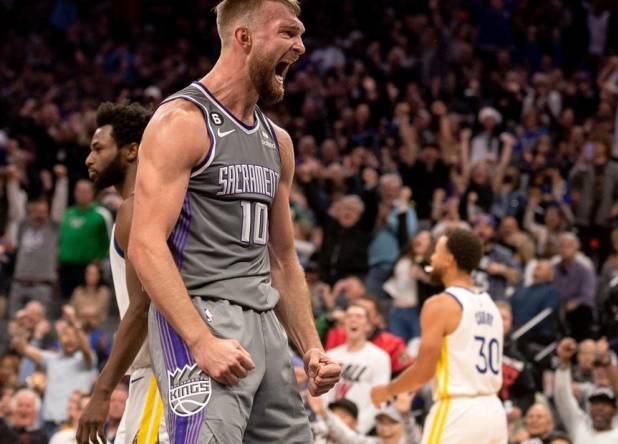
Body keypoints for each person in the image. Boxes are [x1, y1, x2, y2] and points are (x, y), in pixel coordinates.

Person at [127, 1, 340, 442]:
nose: (301, 47)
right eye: (288, 33)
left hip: (265, 322)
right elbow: (146, 244)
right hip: (201, 311)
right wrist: (201, 340)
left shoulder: (277, 141)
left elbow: (282, 258)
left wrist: (311, 347)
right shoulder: (181, 122)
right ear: (243, 38)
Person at [78, 101, 169, 444]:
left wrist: (102, 392)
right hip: (157, 377)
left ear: (132, 151)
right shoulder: (152, 204)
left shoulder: (136, 209)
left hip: (161, 377)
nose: (89, 158)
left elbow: (143, 306)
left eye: (98, 148)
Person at [371, 228, 507, 443]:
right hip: (494, 413)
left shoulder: (440, 304)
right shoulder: (491, 305)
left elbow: (423, 371)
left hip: (458, 412)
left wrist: (387, 390)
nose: (431, 257)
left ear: (449, 259)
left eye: (436, 252)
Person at [13, 306, 97, 434]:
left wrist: (74, 321)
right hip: (49, 425)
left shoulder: (85, 360)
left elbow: (86, 348)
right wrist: (21, 327)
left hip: (76, 424)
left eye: (72, 335)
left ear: (79, 338)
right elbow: (22, 348)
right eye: (65, 335)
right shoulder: (51, 358)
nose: (68, 339)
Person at [5, 163, 67, 319]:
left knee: (40, 325)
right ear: (30, 211)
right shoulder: (23, 226)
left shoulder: (53, 228)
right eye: (36, 211)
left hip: (42, 286)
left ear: (47, 212)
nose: (39, 215)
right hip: (18, 284)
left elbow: (59, 206)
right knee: (14, 326)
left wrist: (62, 181)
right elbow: (14, 208)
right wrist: (12, 182)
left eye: (43, 212)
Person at [322, 303, 391, 433]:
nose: (353, 319)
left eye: (359, 316)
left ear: (368, 325)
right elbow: (324, 395)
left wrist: (358, 428)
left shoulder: (380, 357)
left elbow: (380, 399)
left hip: (360, 428)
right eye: (349, 316)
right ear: (343, 324)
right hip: (330, 427)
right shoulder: (331, 356)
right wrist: (328, 423)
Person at [553, 337, 618, 443]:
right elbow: (563, 397)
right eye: (595, 403)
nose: (599, 408)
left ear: (615, 410)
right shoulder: (579, 426)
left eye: (605, 404)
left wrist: (607, 359)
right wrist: (563, 362)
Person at [58, 178, 112, 299]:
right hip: (66, 267)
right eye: (79, 191)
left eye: (85, 191)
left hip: (89, 268)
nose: (82, 194)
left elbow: (109, 241)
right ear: (74, 193)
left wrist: (99, 262)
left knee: (86, 304)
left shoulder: (101, 214)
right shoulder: (68, 213)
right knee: (66, 304)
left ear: (92, 193)